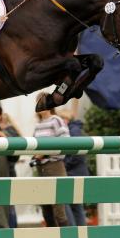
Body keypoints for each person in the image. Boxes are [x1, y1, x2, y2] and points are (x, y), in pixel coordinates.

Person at [33, 93, 70, 227]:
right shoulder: (38, 125)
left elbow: (66, 144)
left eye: (44, 102)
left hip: (55, 165)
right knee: (46, 208)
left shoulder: (56, 120)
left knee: (59, 208)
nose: (41, 105)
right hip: (40, 167)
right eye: (39, 102)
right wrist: (36, 155)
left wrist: (45, 154)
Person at [57, 109, 90, 226]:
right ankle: (80, 233)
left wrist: (63, 164)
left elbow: (77, 154)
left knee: (72, 205)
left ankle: (75, 232)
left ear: (65, 120)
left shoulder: (73, 131)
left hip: (74, 173)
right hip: (77, 172)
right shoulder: (75, 130)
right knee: (76, 206)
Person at [0, 112, 22, 228]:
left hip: (7, 170)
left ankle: (11, 228)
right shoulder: (14, 131)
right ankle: (12, 228)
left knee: (8, 206)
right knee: (10, 204)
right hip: (11, 171)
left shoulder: (7, 132)